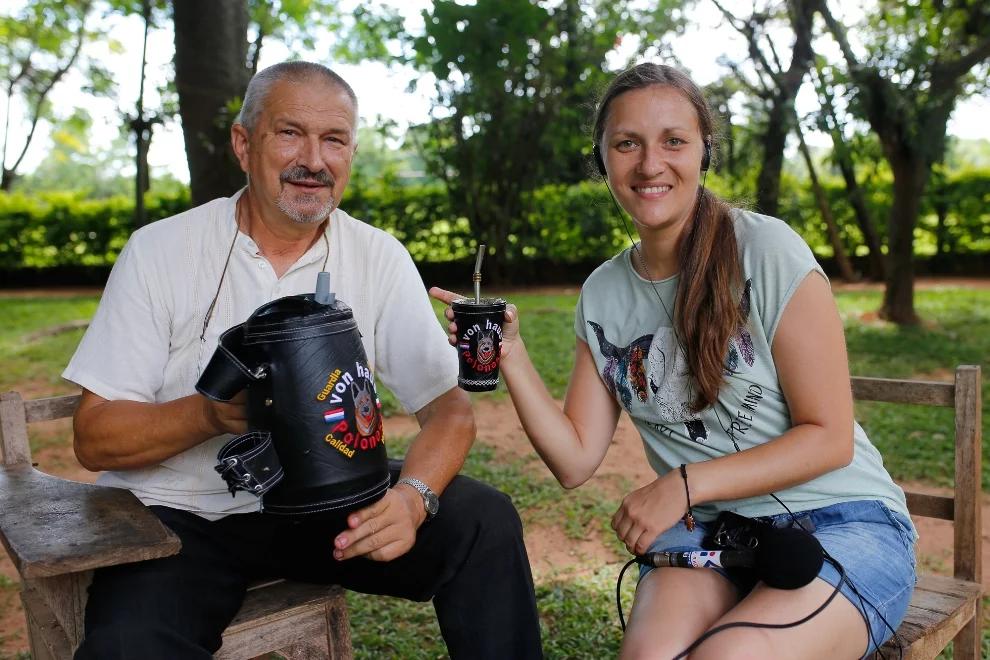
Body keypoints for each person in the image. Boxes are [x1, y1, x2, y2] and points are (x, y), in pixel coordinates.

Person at [432, 62, 916, 659]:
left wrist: (682, 485)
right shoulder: (603, 293)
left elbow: (829, 438)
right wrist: (511, 355)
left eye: (674, 141)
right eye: (627, 143)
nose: (650, 163)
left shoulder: (765, 250)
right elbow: (575, 459)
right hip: (715, 534)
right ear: (602, 158)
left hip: (843, 522)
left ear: (703, 153)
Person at [63, 60, 542, 660]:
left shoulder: (377, 255)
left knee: (483, 521)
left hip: (329, 504)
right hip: (180, 518)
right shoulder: (161, 250)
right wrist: (212, 416)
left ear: (350, 154)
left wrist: (413, 497)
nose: (313, 160)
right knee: (129, 649)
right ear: (244, 144)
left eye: (334, 139)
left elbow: (450, 411)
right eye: (290, 133)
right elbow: (94, 439)